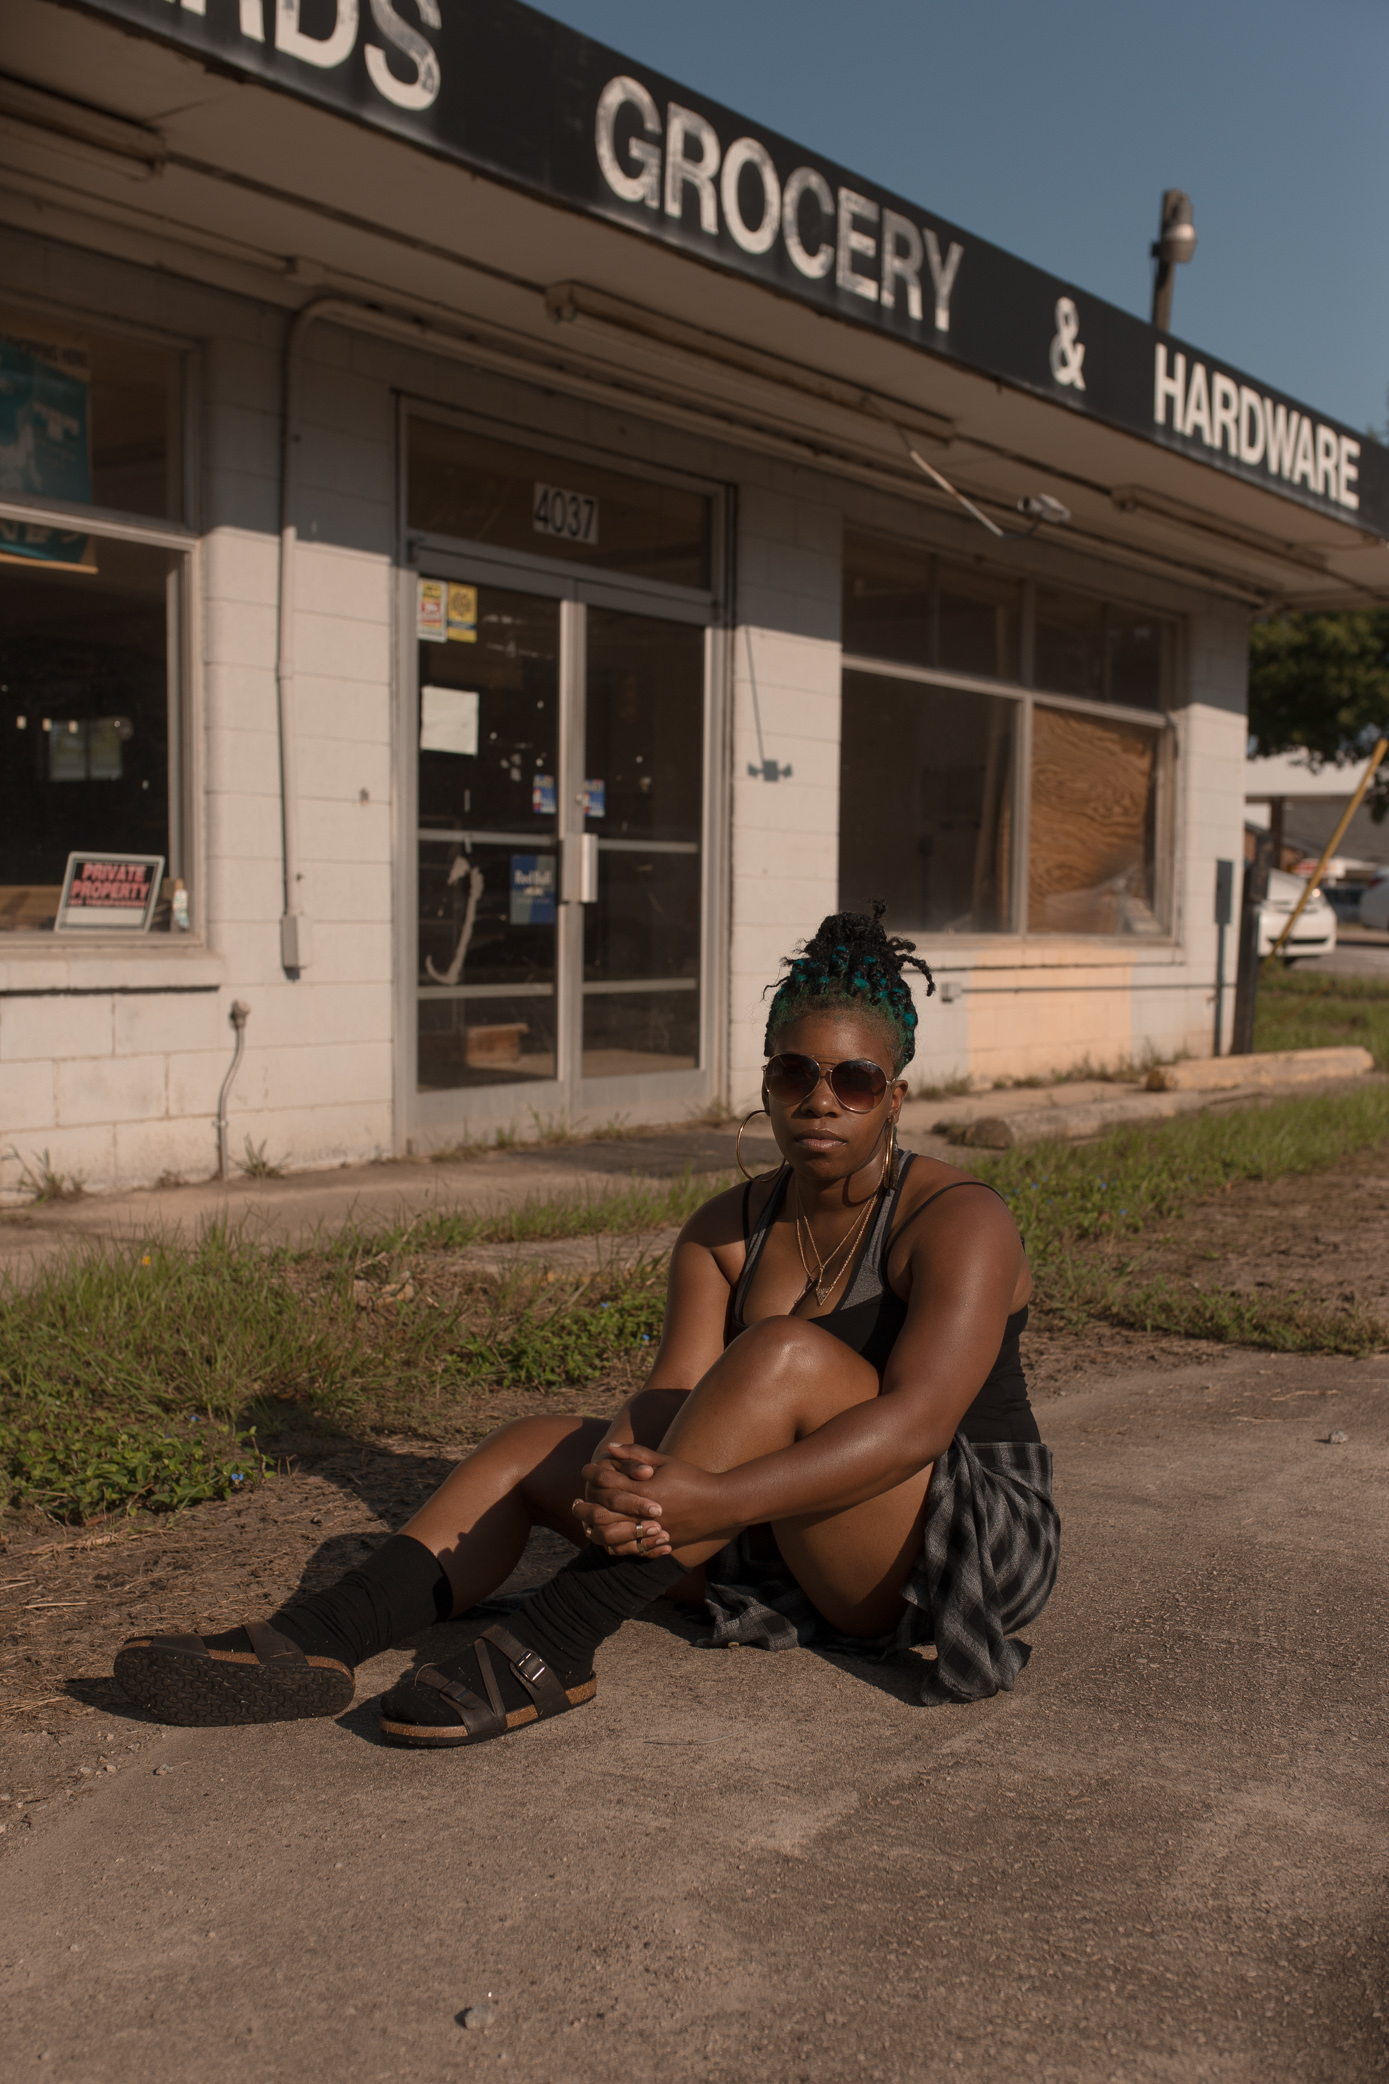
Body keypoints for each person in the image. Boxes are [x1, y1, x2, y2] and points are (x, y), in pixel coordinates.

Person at [115, 907, 1058, 1745]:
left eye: (854, 1079)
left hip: (945, 1543)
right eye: (793, 1072)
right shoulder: (726, 1229)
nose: (820, 1099)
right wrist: (621, 1462)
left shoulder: (957, 1219)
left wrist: (712, 1502)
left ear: (895, 1096)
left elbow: (917, 1426)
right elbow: (674, 1397)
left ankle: (556, 1644)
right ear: (766, 1083)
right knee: (532, 1447)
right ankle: (321, 1639)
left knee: (781, 1356)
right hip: (770, 1524)